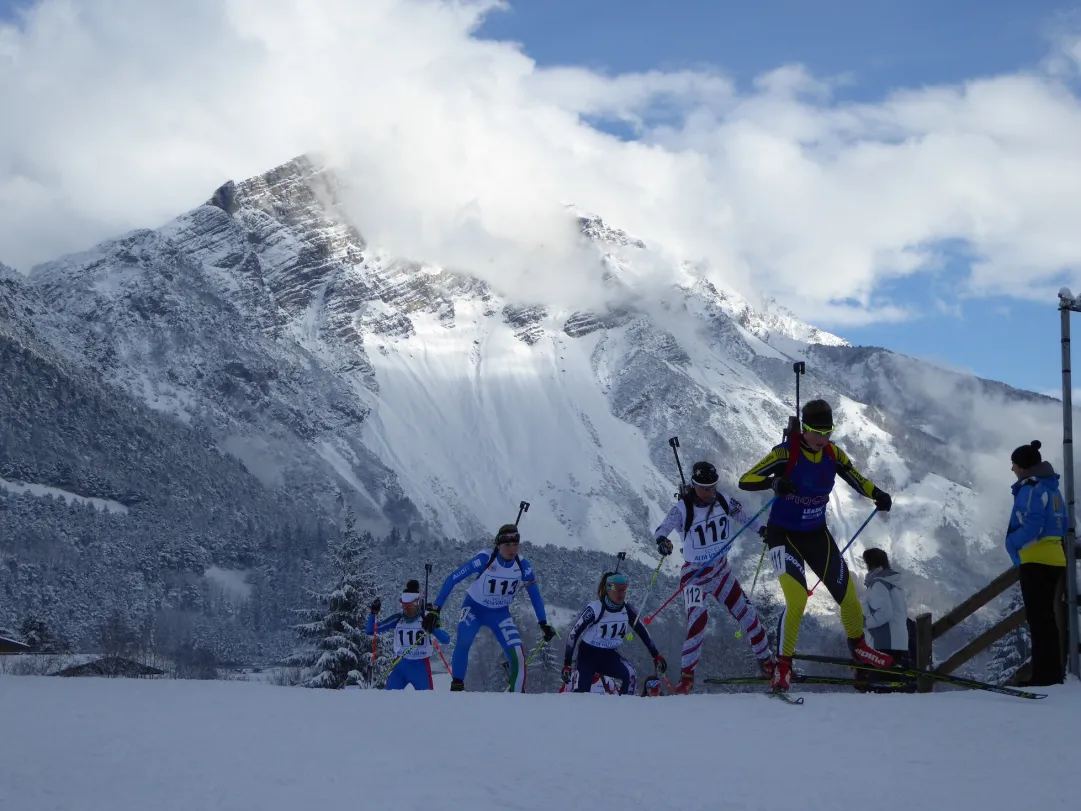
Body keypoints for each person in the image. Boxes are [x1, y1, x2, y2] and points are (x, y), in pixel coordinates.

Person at [738, 399, 894, 693]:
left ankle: (859, 647)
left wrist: (879, 494)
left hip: (815, 534)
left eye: (828, 432)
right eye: (817, 433)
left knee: (848, 596)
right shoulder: (786, 452)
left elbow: (857, 479)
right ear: (805, 430)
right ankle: (782, 667)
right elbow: (746, 479)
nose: (824, 439)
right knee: (797, 600)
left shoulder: (833, 454)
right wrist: (774, 483)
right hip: (782, 535)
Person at [654, 460, 775, 694]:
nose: (710, 492)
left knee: (749, 616)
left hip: (721, 572)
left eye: (713, 486)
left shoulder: (723, 500)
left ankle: (768, 664)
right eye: (704, 488)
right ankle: (686, 679)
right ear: (694, 485)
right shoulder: (682, 508)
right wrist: (663, 542)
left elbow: (745, 517)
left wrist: (762, 529)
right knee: (698, 622)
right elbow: (661, 530)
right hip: (694, 576)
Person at [426, 523, 556, 692]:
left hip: (500, 614)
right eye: (507, 545)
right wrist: (436, 609)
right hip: (474, 609)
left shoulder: (524, 566)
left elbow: (535, 594)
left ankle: (517, 698)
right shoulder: (484, 559)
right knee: (463, 642)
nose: (512, 549)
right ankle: (457, 686)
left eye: (515, 544)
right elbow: (453, 578)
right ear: (498, 545)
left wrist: (543, 622)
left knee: (517, 654)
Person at [1006, 440, 1067, 686]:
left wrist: (1013, 542)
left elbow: (1033, 523)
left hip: (1036, 558)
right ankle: (1052, 673)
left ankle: (1044, 675)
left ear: (1023, 466)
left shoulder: (1030, 488)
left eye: (1014, 464)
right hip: (1055, 557)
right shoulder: (1052, 488)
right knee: (1047, 618)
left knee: (1038, 619)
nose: (1012, 469)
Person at [562, 572, 668, 696]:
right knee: (582, 694)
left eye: (624, 590)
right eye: (618, 590)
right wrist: (567, 664)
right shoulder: (595, 609)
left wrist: (655, 655)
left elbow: (642, 631)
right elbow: (574, 634)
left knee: (630, 674)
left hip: (609, 655)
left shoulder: (627, 610)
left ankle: (623, 710)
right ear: (609, 589)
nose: (622, 594)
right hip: (587, 656)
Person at [365, 579, 450, 690]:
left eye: (409, 607)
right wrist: (373, 613)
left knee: (427, 702)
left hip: (421, 667)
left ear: (417, 604)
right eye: (404, 607)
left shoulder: (427, 618)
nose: (407, 611)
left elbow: (446, 639)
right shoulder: (398, 618)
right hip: (400, 667)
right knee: (387, 699)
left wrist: (433, 628)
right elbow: (371, 630)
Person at [857, 548, 915, 693]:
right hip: (898, 641)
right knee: (895, 690)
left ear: (870, 564)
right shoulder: (893, 583)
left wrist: (865, 623)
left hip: (884, 642)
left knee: (881, 690)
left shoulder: (879, 584)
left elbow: (884, 613)